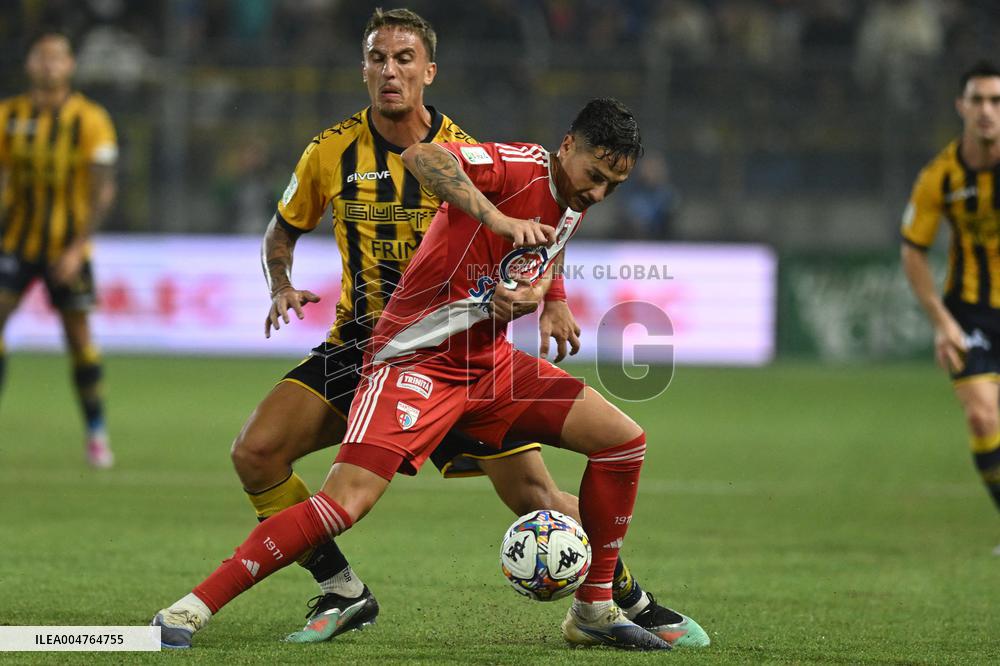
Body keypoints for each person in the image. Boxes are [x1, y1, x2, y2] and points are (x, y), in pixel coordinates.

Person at [222, 7, 705, 647]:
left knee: (537, 496)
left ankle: (625, 598)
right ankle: (341, 589)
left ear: (429, 71)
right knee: (255, 453)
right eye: (377, 58)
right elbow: (281, 230)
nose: (390, 71)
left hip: (459, 352)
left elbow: (539, 225)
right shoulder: (329, 151)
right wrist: (280, 284)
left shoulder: (465, 150)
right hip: (360, 343)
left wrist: (553, 297)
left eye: (404, 59)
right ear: (363, 68)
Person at [0, 31, 117, 468]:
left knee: (78, 336)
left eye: (57, 58)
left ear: (70, 66)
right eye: (41, 56)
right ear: (30, 64)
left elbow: (103, 189)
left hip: (68, 247)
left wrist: (77, 248)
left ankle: (96, 433)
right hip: (15, 242)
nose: (48, 64)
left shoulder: (90, 119)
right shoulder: (9, 115)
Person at [901, 60, 1000, 555]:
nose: (987, 111)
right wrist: (941, 322)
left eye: (996, 101)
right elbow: (912, 250)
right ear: (961, 106)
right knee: (983, 418)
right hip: (971, 312)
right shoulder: (939, 176)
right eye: (978, 100)